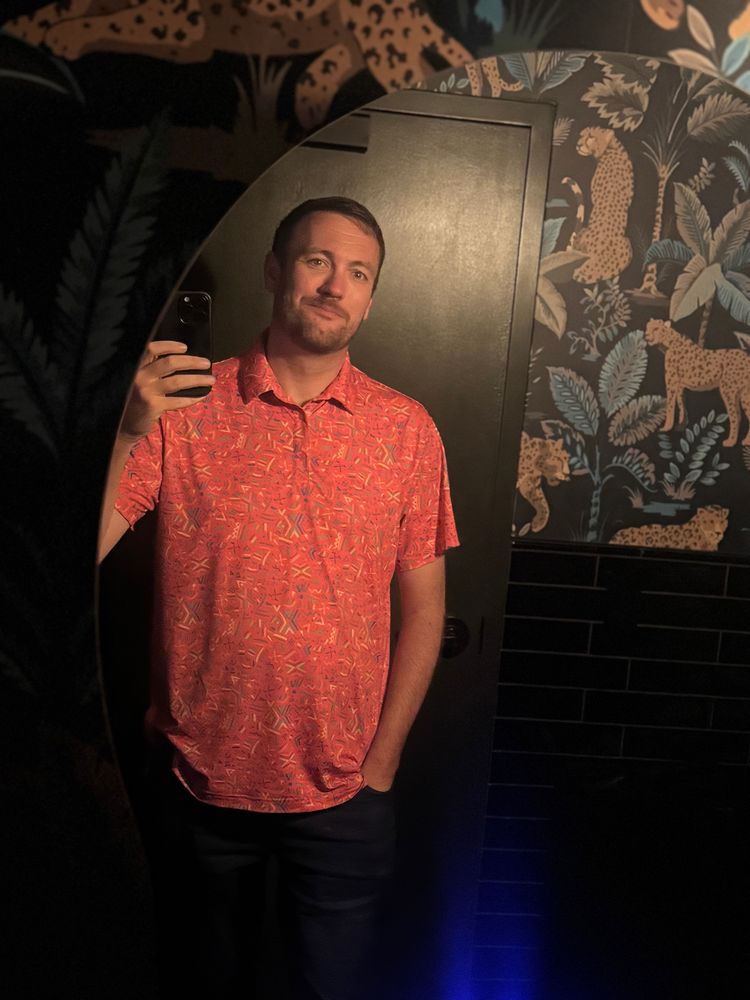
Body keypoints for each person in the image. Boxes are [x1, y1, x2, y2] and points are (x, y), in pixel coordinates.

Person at [99, 197, 459, 999]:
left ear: (370, 298)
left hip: (342, 793)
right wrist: (125, 431)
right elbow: (84, 551)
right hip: (199, 785)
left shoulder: (407, 431)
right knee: (198, 981)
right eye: (316, 260)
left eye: (358, 272)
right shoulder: (183, 409)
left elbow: (426, 610)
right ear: (274, 271)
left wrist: (384, 759)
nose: (336, 285)